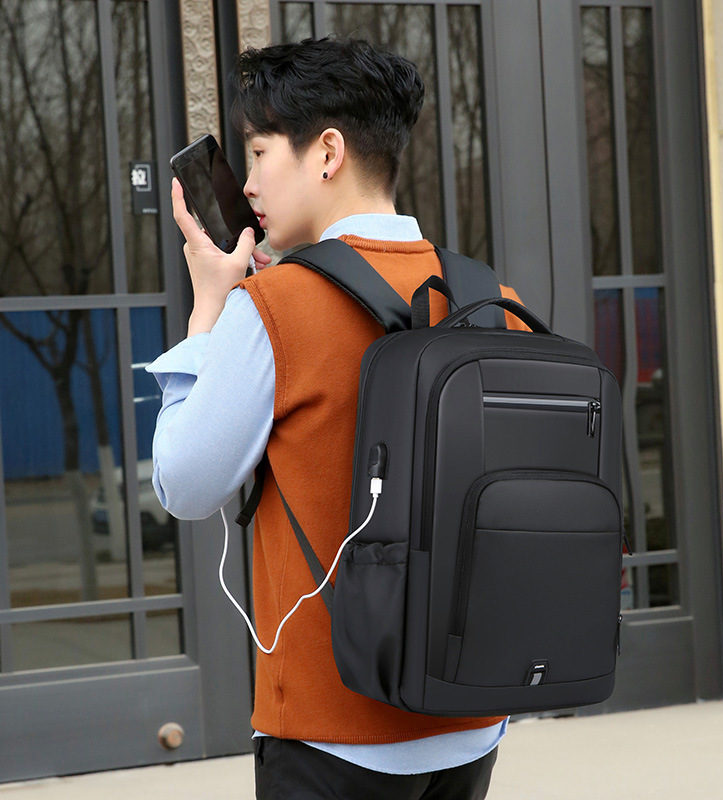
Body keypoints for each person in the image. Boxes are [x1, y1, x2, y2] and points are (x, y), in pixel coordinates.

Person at [148, 37, 528, 799]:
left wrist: (209, 312)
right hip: (471, 718)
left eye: (259, 153)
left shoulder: (274, 307)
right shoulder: (494, 299)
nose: (247, 183)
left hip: (331, 731)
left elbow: (183, 486)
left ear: (327, 152)